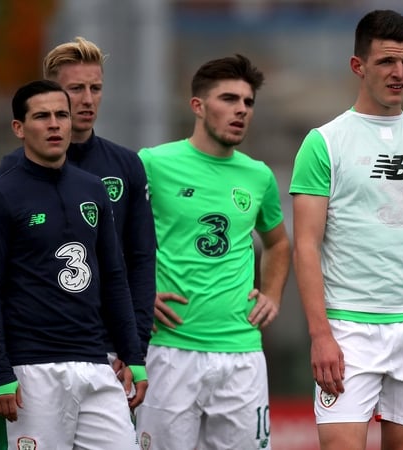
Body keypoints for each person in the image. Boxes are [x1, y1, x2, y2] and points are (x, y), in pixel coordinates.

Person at [289, 9, 403, 450]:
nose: (399, 72)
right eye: (387, 61)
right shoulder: (325, 142)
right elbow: (306, 247)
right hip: (348, 328)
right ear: (358, 66)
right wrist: (320, 335)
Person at [0, 79, 145, 449]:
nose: (54, 124)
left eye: (61, 115)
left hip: (96, 365)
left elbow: (114, 277)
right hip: (32, 370)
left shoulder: (93, 189)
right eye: (42, 116)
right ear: (19, 128)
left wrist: (133, 354)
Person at [135, 54, 291, 450]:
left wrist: (272, 294)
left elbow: (277, 242)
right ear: (198, 106)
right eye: (229, 99)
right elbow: (112, 238)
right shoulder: (153, 163)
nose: (241, 110)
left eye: (248, 102)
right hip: (170, 348)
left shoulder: (258, 175)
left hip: (241, 350)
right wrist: (137, 298)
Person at [0, 36, 157, 366]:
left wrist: (136, 346)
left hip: (111, 350)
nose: (87, 100)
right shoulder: (15, 169)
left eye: (95, 88)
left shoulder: (126, 166)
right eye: (76, 89)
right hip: (38, 352)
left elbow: (140, 257)